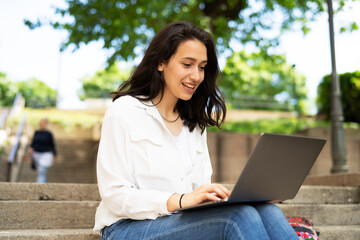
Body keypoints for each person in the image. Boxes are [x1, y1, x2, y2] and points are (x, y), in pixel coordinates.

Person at [94, 21, 298, 240]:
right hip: (127, 227)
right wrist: (179, 200)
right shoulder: (125, 110)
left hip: (180, 222)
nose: (196, 76)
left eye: (201, 67)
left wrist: (236, 198)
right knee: (240, 217)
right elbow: (114, 194)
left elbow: (201, 190)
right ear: (161, 62)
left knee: (269, 212)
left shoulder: (195, 124)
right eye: (187, 64)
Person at [28, 118, 57, 183]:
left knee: (41, 171)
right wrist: (30, 147)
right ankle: (46, 185)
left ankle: (38, 186)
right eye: (40, 123)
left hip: (45, 155)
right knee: (41, 172)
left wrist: (55, 155)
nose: (41, 124)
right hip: (36, 155)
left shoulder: (48, 134)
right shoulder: (36, 132)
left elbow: (52, 145)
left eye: (43, 123)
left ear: (45, 124)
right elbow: (33, 142)